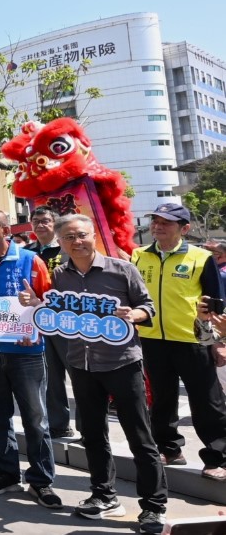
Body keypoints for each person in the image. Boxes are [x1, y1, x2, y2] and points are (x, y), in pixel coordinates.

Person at [41, 215, 166, 534]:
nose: (76, 241)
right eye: (68, 237)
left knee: (140, 436)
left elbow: (147, 306)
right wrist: (36, 305)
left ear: (93, 235)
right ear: (61, 242)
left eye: (81, 235)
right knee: (94, 435)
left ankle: (153, 507)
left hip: (122, 362)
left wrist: (133, 314)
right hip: (81, 364)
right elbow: (56, 312)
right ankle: (104, 495)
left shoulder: (122, 269)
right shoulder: (60, 275)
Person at [0, 208, 60, 508]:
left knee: (35, 419)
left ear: (6, 230)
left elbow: (52, 304)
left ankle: (41, 481)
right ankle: (6, 473)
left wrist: (38, 302)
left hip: (26, 353)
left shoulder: (31, 260)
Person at [130, 202, 226, 481]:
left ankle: (217, 458)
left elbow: (216, 305)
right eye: (155, 220)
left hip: (191, 339)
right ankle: (169, 448)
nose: (158, 226)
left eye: (166, 222)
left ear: (184, 228)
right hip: (150, 339)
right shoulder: (138, 255)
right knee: (161, 398)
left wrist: (217, 342)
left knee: (208, 402)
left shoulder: (200, 257)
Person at [26, 206, 76, 441]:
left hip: (69, 321)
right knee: (51, 377)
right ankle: (59, 424)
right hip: (39, 321)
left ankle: (90, 427)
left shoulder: (68, 249)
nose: (40, 225)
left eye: (45, 221)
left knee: (80, 375)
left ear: (54, 224)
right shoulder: (27, 253)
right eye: (36, 221)